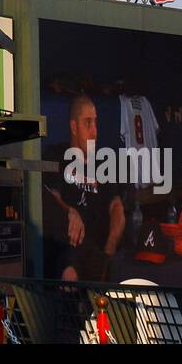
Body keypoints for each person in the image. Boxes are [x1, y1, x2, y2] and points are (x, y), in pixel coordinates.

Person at [47, 94, 125, 281]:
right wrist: (69, 211)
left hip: (98, 251)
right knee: (69, 271)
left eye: (95, 123)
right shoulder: (58, 155)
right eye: (87, 123)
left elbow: (116, 205)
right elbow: (52, 196)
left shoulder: (103, 163)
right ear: (74, 127)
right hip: (69, 248)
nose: (94, 131)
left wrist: (111, 243)